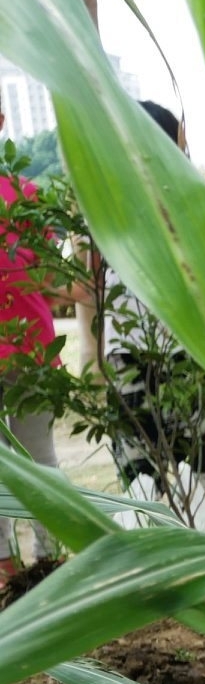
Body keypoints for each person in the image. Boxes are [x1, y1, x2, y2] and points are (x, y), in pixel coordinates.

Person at [105, 100, 205, 534]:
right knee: (184, 474)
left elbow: (89, 288)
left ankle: (160, 569)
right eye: (180, 141)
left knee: (144, 476)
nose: (186, 151)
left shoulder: (104, 199)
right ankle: (197, 562)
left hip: (132, 354)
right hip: (178, 351)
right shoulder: (188, 200)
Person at [0, 107, 63, 587]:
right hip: (35, 347)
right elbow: (54, 280)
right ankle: (47, 563)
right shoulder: (29, 198)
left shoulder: (31, 198)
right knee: (41, 461)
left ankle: (21, 567)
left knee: (38, 459)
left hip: (31, 350)